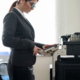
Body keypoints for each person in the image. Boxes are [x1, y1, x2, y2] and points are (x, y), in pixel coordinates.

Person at [2, 0, 56, 80]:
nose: (32, 8)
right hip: (18, 66)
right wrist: (31, 44)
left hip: (25, 65)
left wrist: (42, 46)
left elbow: (26, 40)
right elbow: (6, 39)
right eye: (32, 5)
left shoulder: (21, 17)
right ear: (22, 1)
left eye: (34, 6)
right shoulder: (12, 16)